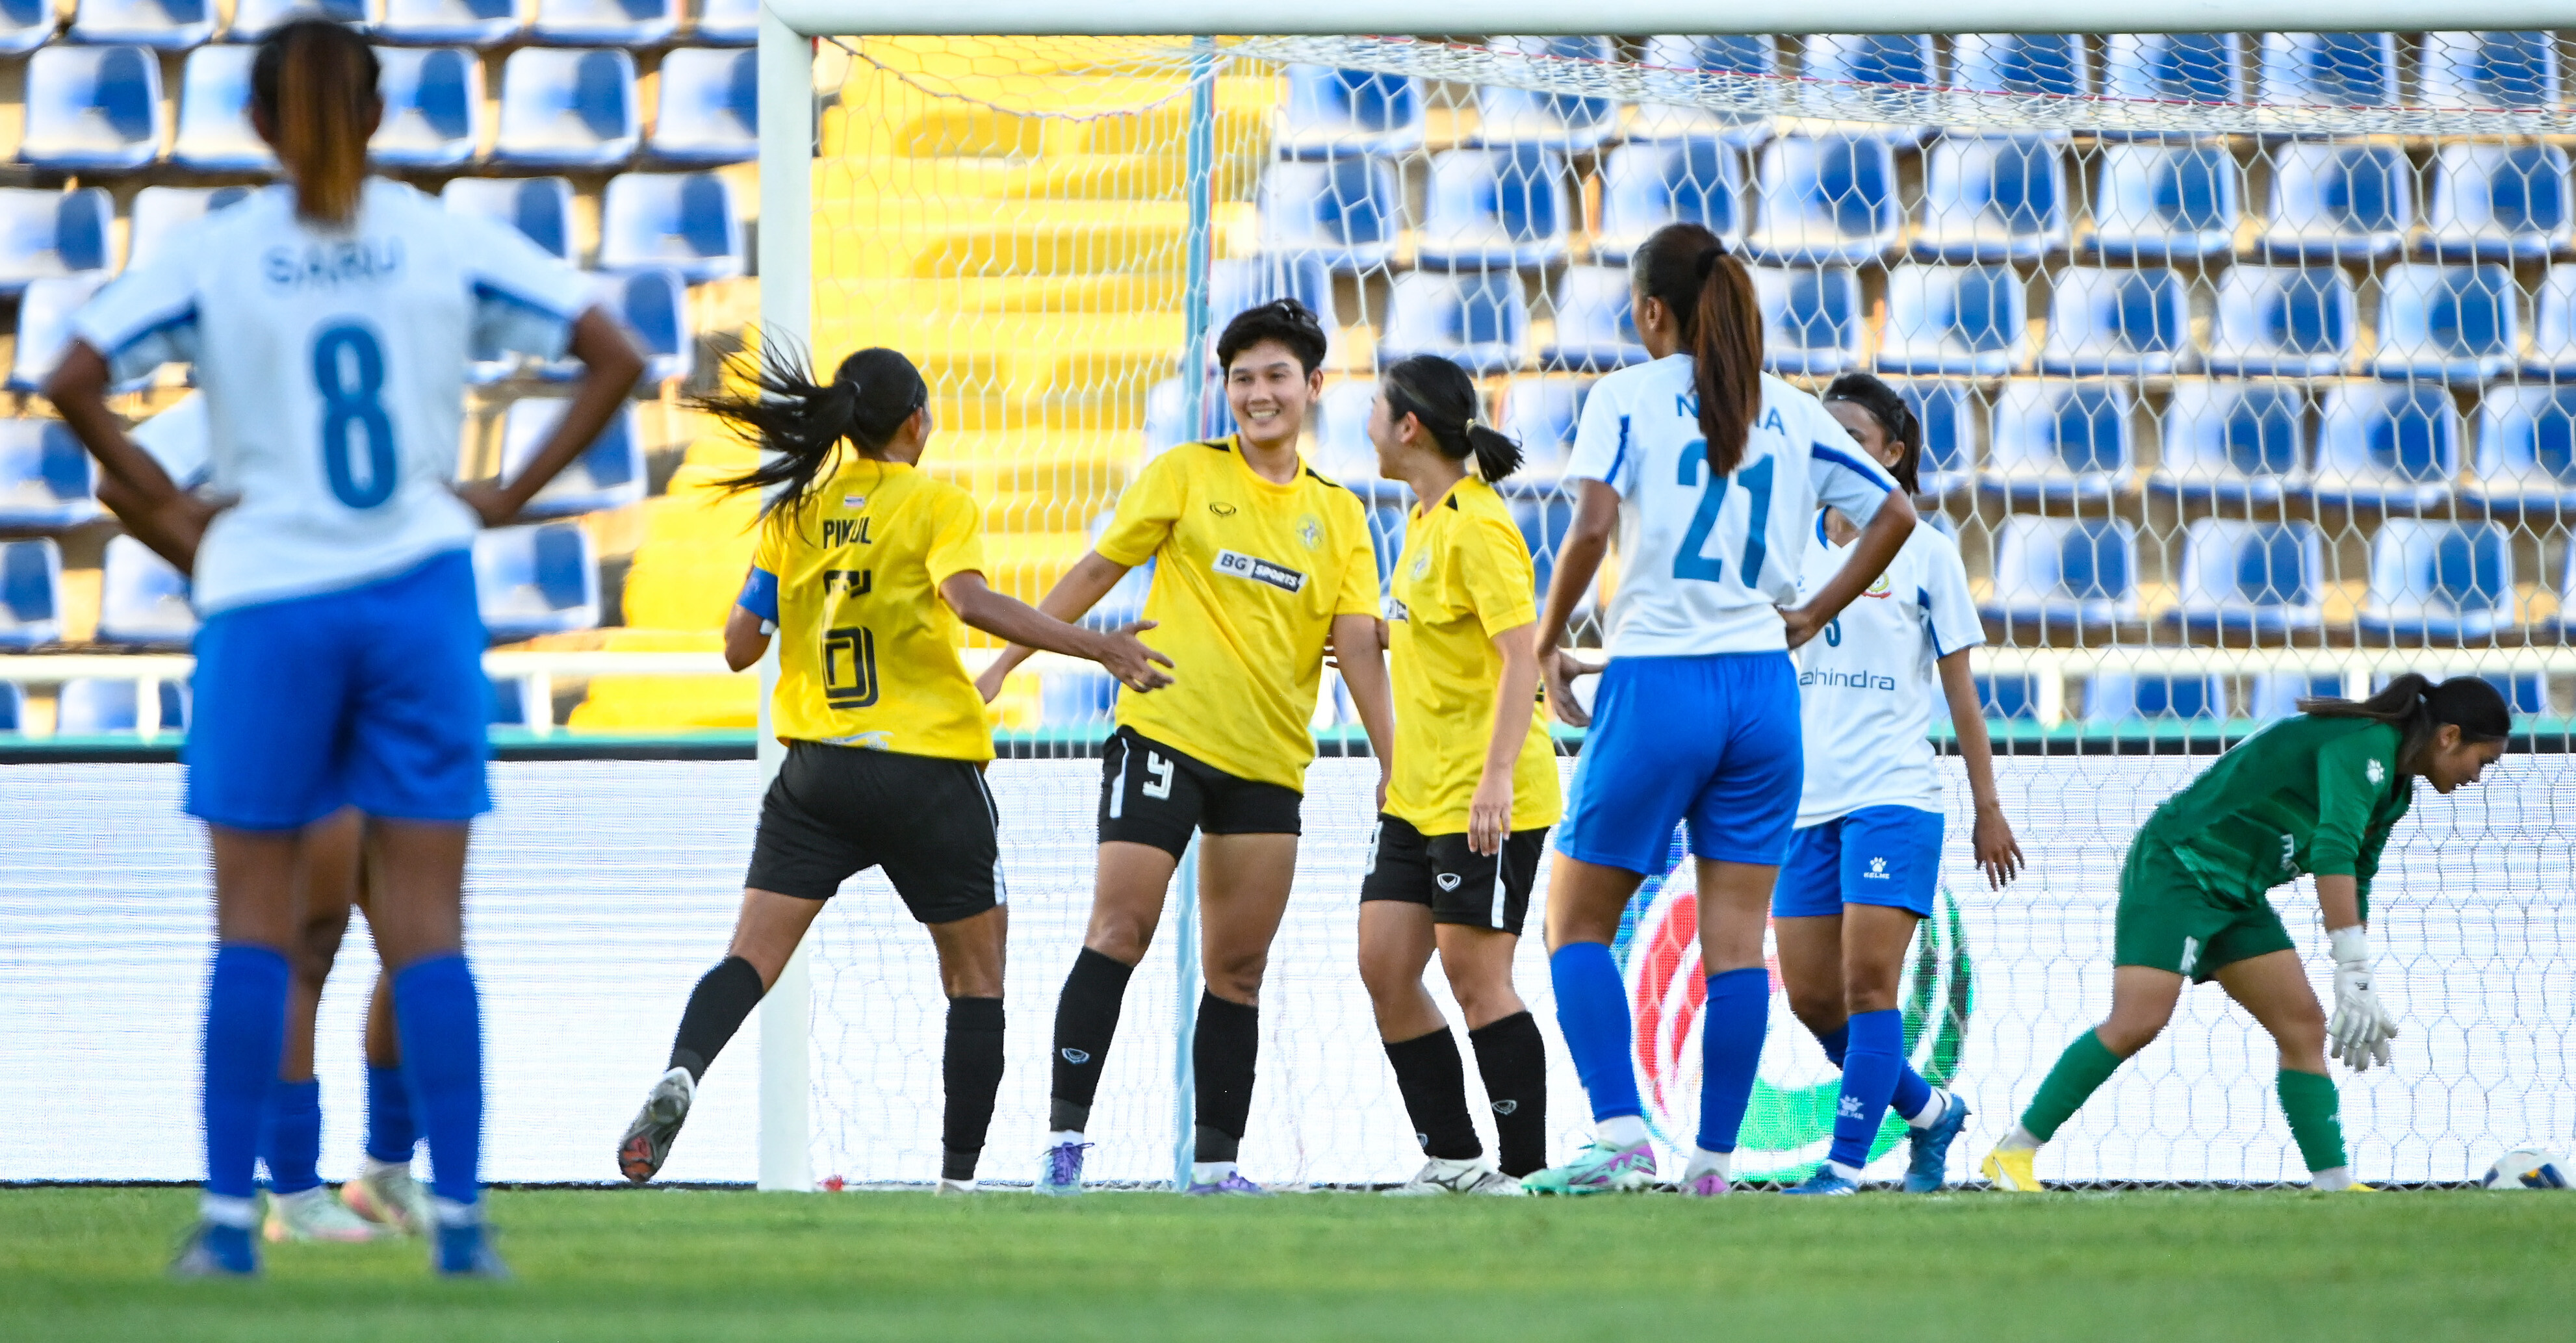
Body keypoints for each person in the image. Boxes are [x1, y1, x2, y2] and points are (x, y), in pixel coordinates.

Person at [49, 18, 643, 1277]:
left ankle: (231, 1226)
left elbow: (72, 377)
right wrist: (503, 495)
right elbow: (615, 350)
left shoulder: (221, 254)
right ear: (377, 116)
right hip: (415, 588)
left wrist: (185, 516)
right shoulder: (441, 239)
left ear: (256, 123)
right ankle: (461, 1227)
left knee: (256, 925)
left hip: (268, 597)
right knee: (426, 921)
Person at [613, 344, 1172, 1194]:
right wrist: (1097, 645)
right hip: (927, 774)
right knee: (976, 981)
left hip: (817, 773)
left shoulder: (794, 515)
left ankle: (685, 1067)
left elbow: (738, 647)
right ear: (917, 421)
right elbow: (971, 601)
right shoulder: (937, 505)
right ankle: (956, 1182)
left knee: (750, 957)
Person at [1517, 223, 1919, 1197]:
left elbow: (1593, 526)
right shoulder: (1792, 410)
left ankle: (1620, 1135)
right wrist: (1813, 613)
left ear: (1652, 310)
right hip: (1762, 693)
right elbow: (1898, 513)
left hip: (1660, 679)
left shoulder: (1627, 395)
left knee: (1574, 922)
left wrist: (1547, 636)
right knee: (1736, 944)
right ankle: (1712, 1163)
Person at [977, 298, 1394, 1196]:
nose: (1258, 393)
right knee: (1118, 930)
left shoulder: (1339, 515)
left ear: (1314, 386)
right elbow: (1100, 568)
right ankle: (1063, 1148)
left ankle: (1215, 1166)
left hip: (1268, 760)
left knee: (1237, 969)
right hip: (1163, 732)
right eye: (1242, 378)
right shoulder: (1184, 472)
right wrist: (1009, 660)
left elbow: (1359, 644)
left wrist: (1394, 762)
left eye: (1276, 375)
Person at [109, 394, 432, 1242]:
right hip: (291, 679)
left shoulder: (389, 362)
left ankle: (385, 1170)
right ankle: (293, 1191)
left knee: (418, 940)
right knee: (309, 938)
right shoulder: (241, 379)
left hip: (389, 672)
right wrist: (226, 568)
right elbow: (121, 480)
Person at [1981, 675, 2510, 1193]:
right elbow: (2334, 850)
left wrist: (2359, 975)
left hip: (2237, 890)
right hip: (2180, 865)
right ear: (2449, 736)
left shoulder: (2396, 792)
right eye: (2482, 761)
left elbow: (2358, 875)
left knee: (2302, 1026)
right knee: (2138, 1020)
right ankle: (2012, 1154)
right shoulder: (2365, 745)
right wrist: (2350, 966)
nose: (2477, 777)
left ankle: (2333, 1184)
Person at [1770, 372, 2022, 1196]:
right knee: (1812, 999)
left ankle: (1843, 1168)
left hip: (1891, 797)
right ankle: (1930, 1112)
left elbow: (1961, 694)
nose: (1831, 450)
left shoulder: (1927, 554)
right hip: (1802, 804)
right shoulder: (1785, 546)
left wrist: (1988, 808)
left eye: (1851, 437)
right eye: (1823, 436)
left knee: (1868, 984)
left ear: (1891, 453)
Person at [1355, 356, 1557, 1196]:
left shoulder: (1479, 525)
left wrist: (1496, 778)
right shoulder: (1424, 518)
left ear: (1408, 427)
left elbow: (1521, 655)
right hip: (1418, 792)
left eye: (1375, 408)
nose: (1366, 422)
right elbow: (1449, 636)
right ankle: (1454, 1158)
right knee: (1384, 964)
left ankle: (1525, 1174)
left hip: (1484, 796)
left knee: (1477, 979)